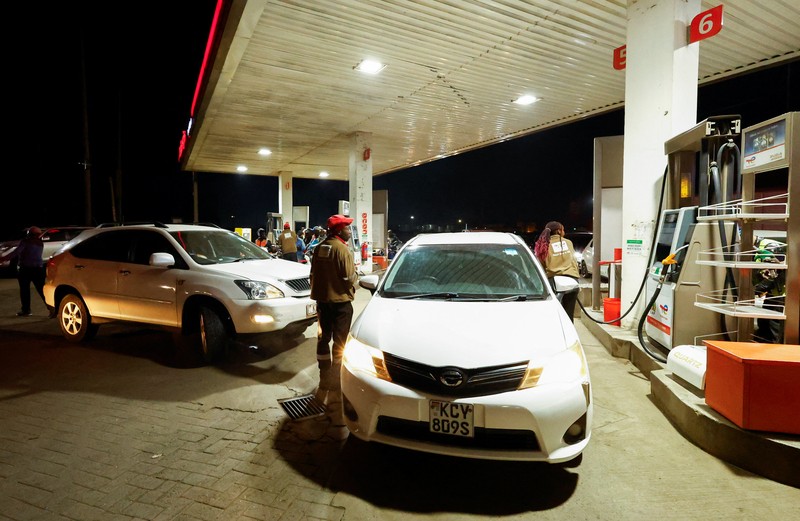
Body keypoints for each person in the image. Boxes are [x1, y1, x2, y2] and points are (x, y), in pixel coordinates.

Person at [310, 214, 358, 393]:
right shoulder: (342, 250)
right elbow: (348, 278)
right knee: (340, 342)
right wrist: (357, 275)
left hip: (323, 302)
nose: (349, 231)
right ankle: (336, 380)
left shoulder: (319, 247)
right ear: (339, 230)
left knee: (323, 340)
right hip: (341, 303)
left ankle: (324, 378)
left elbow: (313, 273)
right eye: (347, 228)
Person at [534, 221, 580, 322]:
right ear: (559, 231)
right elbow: (574, 262)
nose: (564, 232)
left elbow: (541, 267)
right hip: (572, 280)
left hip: (553, 281)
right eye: (563, 230)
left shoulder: (543, 245)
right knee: (569, 315)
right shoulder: (568, 243)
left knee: (554, 314)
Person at [0, 226, 49, 317]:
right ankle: (51, 308)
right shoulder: (40, 243)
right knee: (42, 290)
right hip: (38, 269)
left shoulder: (25, 242)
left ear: (29, 233)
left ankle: (26, 310)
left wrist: (3, 259)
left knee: (24, 291)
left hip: (25, 269)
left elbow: (16, 252)